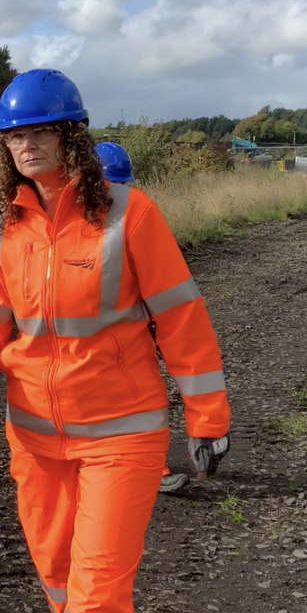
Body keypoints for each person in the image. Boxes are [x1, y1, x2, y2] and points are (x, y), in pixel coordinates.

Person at [0, 70, 231, 613]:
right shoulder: (3, 227)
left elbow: (181, 319)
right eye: (15, 135)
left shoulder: (130, 214)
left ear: (72, 136)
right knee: (57, 573)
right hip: (35, 438)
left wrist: (208, 416)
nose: (26, 144)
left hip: (122, 436)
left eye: (41, 131)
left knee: (97, 589)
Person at [95, 140, 190, 494]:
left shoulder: (135, 217)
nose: (116, 192)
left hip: (130, 337)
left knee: (140, 401)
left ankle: (152, 467)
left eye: (121, 185)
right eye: (112, 183)